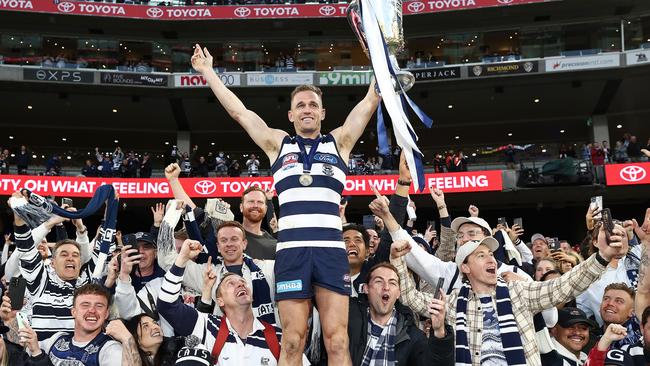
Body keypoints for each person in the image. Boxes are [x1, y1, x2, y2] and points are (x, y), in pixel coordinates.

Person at [190, 43, 380, 365]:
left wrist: (383, 59)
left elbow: (372, 98)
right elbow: (240, 112)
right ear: (291, 115)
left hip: (330, 254)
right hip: (291, 253)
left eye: (313, 105)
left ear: (322, 113)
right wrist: (208, 72)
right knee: (292, 341)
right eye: (301, 105)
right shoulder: (277, 145)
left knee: (337, 341)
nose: (307, 109)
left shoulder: (341, 142)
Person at [390, 220, 626, 366]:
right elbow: (411, 298)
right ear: (465, 268)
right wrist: (399, 262)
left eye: (491, 254)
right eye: (481, 255)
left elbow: (564, 286)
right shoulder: (452, 303)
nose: (491, 259)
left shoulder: (519, 292)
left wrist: (602, 257)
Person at [157, 239, 308, 365]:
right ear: (220, 301)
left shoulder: (279, 337)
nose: (240, 284)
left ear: (252, 297)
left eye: (243, 282)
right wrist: (182, 259)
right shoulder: (207, 327)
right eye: (231, 283)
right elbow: (166, 305)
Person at [342, 262, 452, 366]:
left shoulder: (413, 337)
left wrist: (439, 331)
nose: (386, 287)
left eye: (392, 283)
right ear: (366, 289)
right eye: (379, 281)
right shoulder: (346, 318)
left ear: (398, 293)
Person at [18, 283, 141, 365]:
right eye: (85, 305)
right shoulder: (57, 339)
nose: (92, 310)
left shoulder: (110, 349)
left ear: (106, 314)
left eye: (99, 306)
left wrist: (128, 339)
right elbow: (18, 350)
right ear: (74, 312)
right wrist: (11, 319)